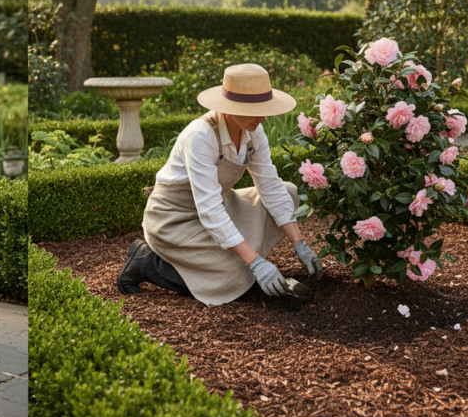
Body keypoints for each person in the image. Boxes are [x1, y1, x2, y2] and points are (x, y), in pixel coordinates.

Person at [117, 63, 322, 305]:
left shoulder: (253, 131)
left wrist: (300, 244)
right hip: (175, 220)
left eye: (264, 108)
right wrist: (255, 263)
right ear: (232, 106)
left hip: (221, 206)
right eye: (256, 109)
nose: (263, 117)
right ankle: (146, 262)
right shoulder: (201, 137)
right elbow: (210, 211)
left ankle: (238, 258)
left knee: (289, 193)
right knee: (237, 277)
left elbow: (271, 187)